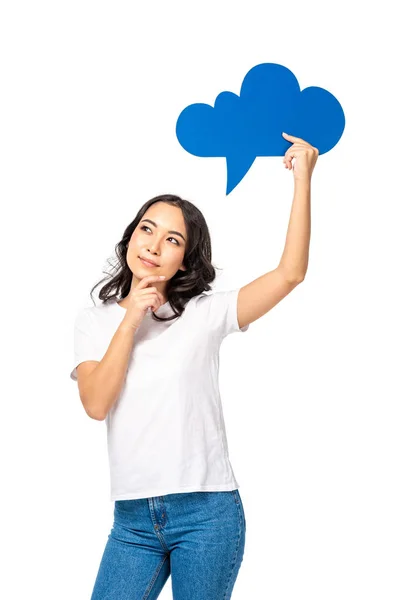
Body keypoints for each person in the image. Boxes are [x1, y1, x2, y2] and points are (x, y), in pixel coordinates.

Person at [70, 132, 316, 600]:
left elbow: (290, 274)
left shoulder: (204, 315)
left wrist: (302, 179)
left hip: (207, 516)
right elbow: (97, 403)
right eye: (147, 229)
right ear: (131, 235)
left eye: (172, 239)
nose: (154, 245)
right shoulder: (93, 322)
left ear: (184, 260)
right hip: (132, 522)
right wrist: (131, 317)